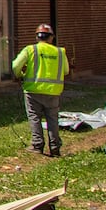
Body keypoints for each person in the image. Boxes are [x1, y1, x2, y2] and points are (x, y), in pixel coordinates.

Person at [13, 24, 69, 156]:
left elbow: (15, 65)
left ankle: (37, 145)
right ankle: (55, 147)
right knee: (53, 119)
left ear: (37, 37)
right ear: (51, 37)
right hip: (53, 91)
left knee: (34, 118)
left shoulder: (30, 50)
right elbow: (66, 70)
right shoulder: (60, 52)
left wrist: (20, 75)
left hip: (33, 90)